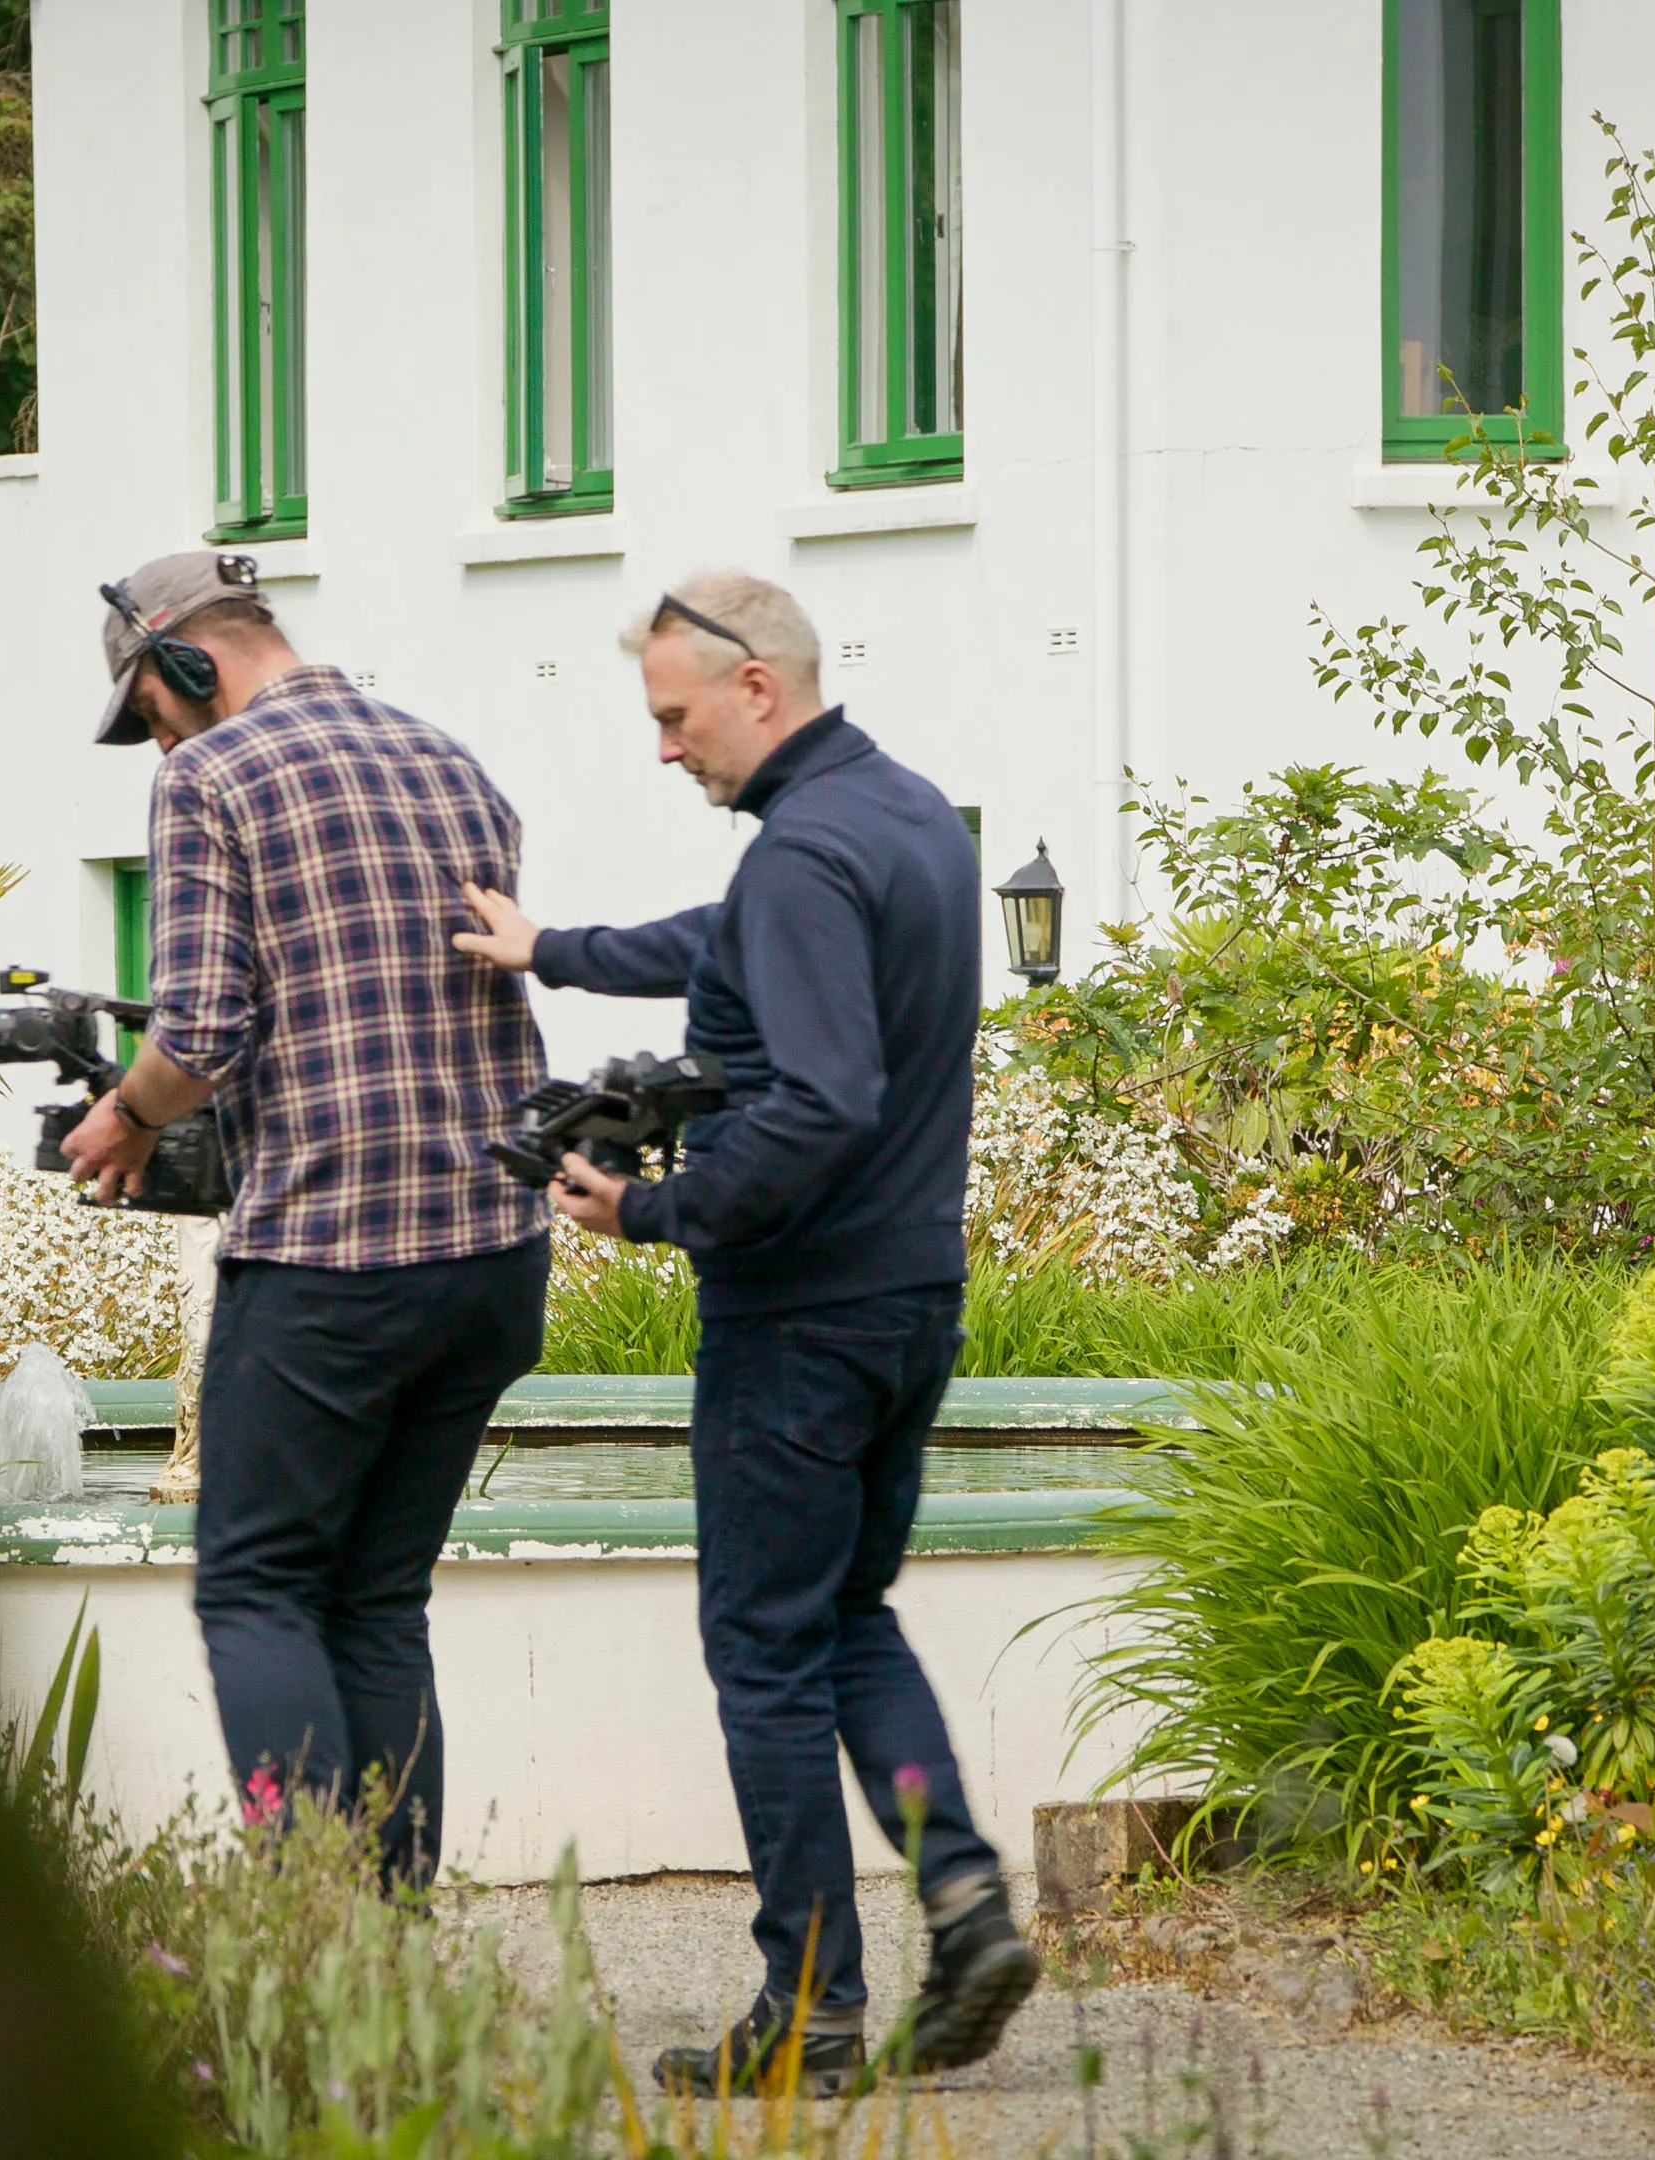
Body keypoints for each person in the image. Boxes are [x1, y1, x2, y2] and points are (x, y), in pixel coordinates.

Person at [453, 570, 1039, 2095]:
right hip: (914, 1299)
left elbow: (824, 1093)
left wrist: (651, 1214)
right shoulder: (906, 819)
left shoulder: (801, 854)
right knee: (846, 1616)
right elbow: (731, 937)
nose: (664, 749)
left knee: (765, 1651)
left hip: (800, 1319)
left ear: (756, 687)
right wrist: (555, 949)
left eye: (673, 717)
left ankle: (810, 2012)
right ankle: (965, 1897)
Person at [58, 550, 549, 1887]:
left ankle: (318, 1937)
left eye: (151, 709)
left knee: (257, 1589)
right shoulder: (452, 760)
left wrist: (130, 1115)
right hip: (495, 1257)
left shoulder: (211, 776)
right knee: (378, 1601)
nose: (155, 738)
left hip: (336, 1257)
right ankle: (386, 1946)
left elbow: (204, 1030)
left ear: (189, 663)